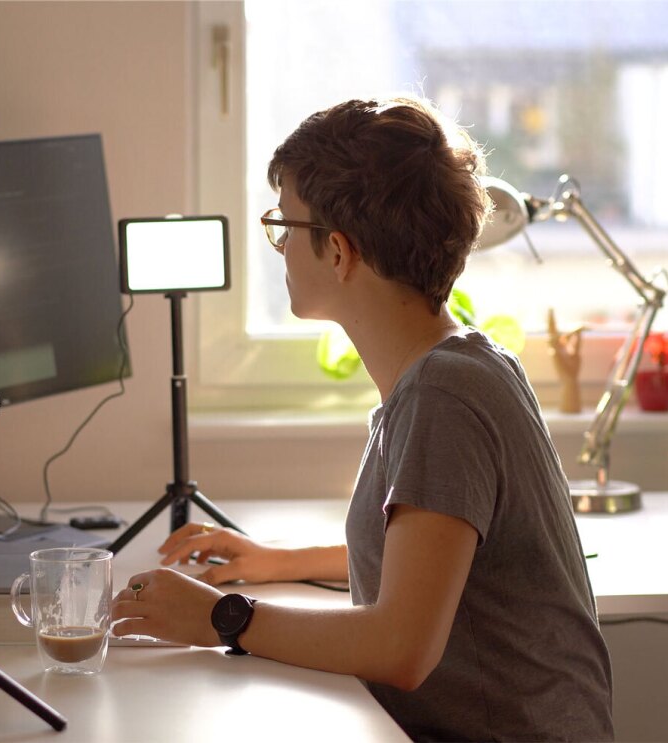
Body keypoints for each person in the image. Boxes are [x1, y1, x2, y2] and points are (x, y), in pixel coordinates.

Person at [110, 96, 614, 742]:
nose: (282, 246)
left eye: (285, 226)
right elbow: (430, 562)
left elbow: (401, 645)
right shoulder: (463, 364)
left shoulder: (443, 397)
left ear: (340, 253)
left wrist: (223, 615)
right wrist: (274, 561)